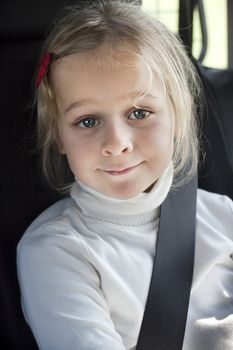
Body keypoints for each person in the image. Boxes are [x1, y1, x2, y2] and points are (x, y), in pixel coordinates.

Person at [16, 1, 233, 349]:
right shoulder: (56, 249)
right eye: (87, 121)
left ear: (177, 117)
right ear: (58, 136)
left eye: (139, 112)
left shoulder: (222, 214)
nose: (116, 144)